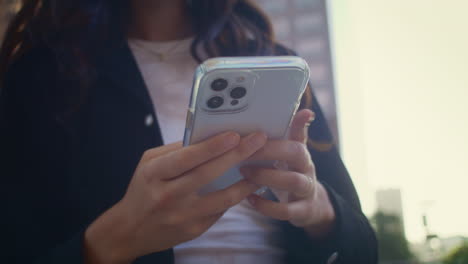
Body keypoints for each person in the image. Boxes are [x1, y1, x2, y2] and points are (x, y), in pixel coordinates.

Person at [0, 0, 377, 263]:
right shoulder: (39, 78)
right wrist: (113, 238)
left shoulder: (272, 59)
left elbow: (364, 250)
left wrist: (319, 209)